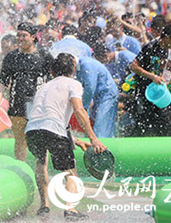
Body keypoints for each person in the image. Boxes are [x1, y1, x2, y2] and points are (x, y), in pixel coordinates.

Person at [25, 53, 107, 219]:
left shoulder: (44, 87)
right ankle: (70, 209)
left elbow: (46, 120)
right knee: (71, 172)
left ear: (52, 71)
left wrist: (74, 140)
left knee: (41, 162)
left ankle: (44, 206)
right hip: (52, 129)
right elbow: (78, 110)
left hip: (32, 130)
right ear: (73, 69)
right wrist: (93, 138)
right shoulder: (73, 84)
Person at [0, 22, 51, 161]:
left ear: (33, 37)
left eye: (24, 35)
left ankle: (41, 169)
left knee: (40, 139)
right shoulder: (12, 57)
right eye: (18, 35)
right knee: (20, 139)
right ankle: (22, 167)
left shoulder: (43, 55)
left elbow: (53, 79)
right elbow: (2, 80)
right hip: (17, 102)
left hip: (37, 103)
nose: (20, 38)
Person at [127, 24, 171, 136]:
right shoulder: (150, 47)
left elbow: (158, 68)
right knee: (143, 123)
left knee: (162, 122)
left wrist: (161, 78)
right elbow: (133, 66)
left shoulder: (165, 49)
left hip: (155, 92)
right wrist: (152, 77)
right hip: (143, 92)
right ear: (167, 38)